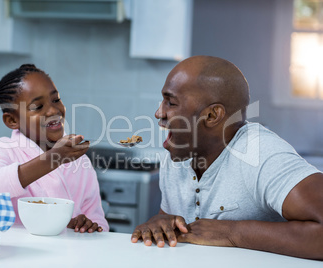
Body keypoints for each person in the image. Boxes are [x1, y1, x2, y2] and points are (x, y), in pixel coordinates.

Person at [130, 55, 323, 260]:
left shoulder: (261, 153)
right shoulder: (178, 154)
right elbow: (171, 223)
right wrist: (159, 224)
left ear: (212, 116)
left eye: (170, 102)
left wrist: (232, 233)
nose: (159, 113)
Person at [0, 64, 108, 233]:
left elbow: (98, 220)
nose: (53, 110)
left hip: (68, 256)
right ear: (11, 120)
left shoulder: (80, 161)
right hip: (19, 254)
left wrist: (89, 226)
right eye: (38, 107)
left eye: (56, 99)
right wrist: (53, 159)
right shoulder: (4, 149)